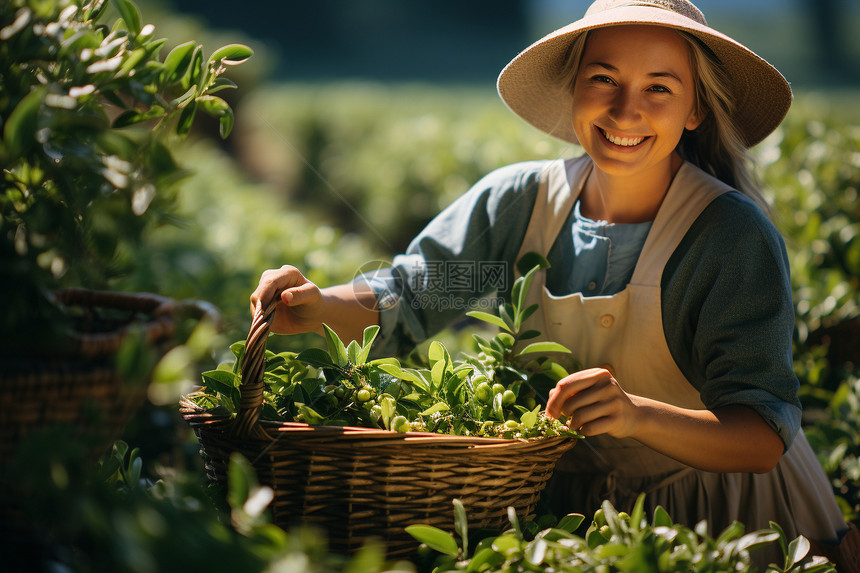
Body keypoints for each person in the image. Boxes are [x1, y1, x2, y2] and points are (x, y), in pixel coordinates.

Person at [251, 0, 857, 568]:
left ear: (694, 110)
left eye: (659, 88)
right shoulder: (520, 204)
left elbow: (760, 436)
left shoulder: (729, 236)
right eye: (603, 79)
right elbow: (419, 290)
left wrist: (638, 415)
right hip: (568, 512)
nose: (625, 111)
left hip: (724, 518)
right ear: (574, 87)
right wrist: (316, 304)